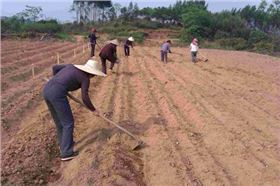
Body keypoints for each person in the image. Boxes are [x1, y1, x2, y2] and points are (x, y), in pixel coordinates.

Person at [43, 59, 106, 161]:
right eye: (94, 75)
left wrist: (57, 81)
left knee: (60, 123)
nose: (94, 76)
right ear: (91, 73)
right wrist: (94, 110)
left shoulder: (71, 66)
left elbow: (55, 67)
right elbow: (85, 97)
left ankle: (64, 144)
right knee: (68, 123)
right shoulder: (85, 78)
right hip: (57, 94)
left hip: (47, 90)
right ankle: (66, 153)